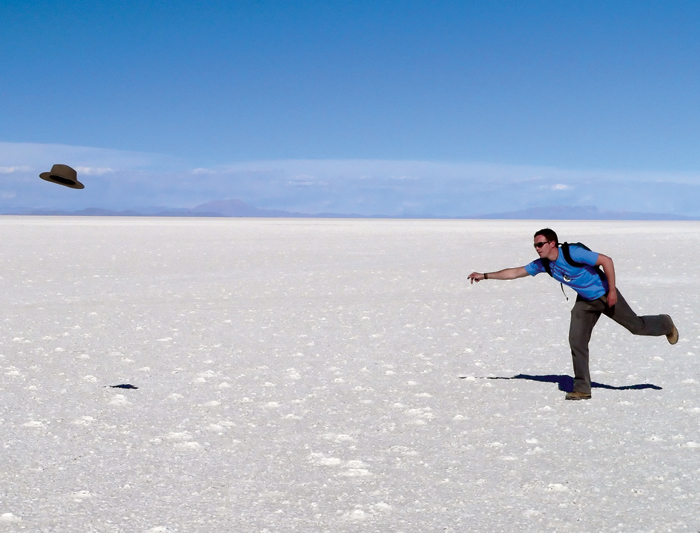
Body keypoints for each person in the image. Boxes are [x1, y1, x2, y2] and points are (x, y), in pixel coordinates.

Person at [467, 228, 678, 401]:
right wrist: (484, 275)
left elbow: (606, 261)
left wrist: (612, 290)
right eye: (535, 245)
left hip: (605, 295)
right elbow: (515, 272)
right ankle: (582, 389)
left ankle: (666, 324)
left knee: (637, 327)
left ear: (552, 243)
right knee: (576, 341)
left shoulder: (573, 253)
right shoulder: (544, 264)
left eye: (540, 244)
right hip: (585, 302)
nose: (537, 248)